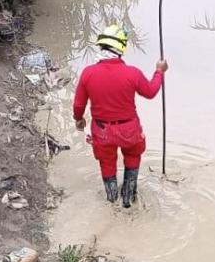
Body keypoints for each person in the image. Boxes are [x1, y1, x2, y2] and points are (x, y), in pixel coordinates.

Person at [72, 24, 168, 208]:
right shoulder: (132, 73)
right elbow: (150, 92)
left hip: (102, 131)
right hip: (129, 129)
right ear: (121, 49)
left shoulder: (88, 73)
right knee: (132, 157)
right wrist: (159, 72)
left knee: (107, 162)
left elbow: (78, 105)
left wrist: (79, 119)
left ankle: (111, 199)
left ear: (101, 46)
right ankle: (128, 199)